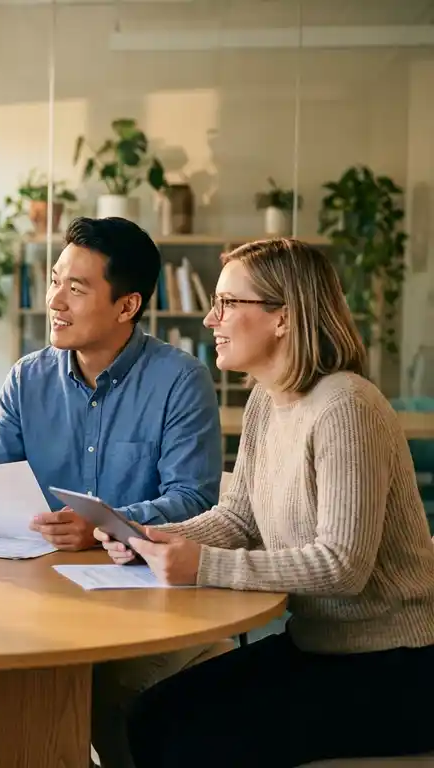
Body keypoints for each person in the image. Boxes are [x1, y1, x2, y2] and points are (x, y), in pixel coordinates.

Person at [96, 238, 434, 768]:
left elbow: (343, 566)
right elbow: (239, 516)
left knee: (189, 743)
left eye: (228, 303)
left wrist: (202, 565)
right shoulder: (265, 399)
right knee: (149, 716)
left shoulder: (346, 406)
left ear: (284, 316)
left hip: (395, 668)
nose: (211, 318)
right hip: (317, 648)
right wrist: (158, 540)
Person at [0, 216, 224, 768]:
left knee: (116, 700)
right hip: (34, 598)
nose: (54, 300)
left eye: (76, 289)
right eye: (55, 279)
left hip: (142, 602)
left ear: (127, 306)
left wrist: (104, 523)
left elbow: (195, 500)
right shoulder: (26, 378)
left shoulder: (180, 380)